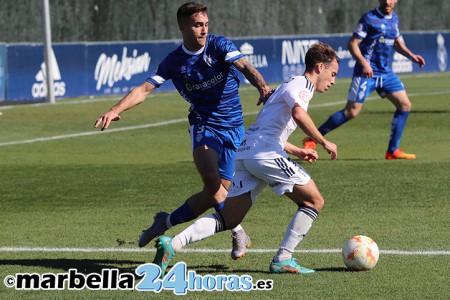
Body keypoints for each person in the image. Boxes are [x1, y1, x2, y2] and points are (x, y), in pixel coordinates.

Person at [94, 2, 272, 259]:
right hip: (203, 125)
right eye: (198, 25)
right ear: (183, 27)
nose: (203, 30)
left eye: (206, 24)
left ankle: (164, 222)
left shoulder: (219, 45)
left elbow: (245, 66)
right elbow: (144, 89)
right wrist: (116, 108)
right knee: (212, 182)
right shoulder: (175, 62)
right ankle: (238, 231)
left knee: (213, 194)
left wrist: (263, 87)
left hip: (234, 129)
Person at [152, 42, 340, 277]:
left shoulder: (289, 84)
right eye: (332, 74)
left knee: (229, 218)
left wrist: (297, 151)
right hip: (264, 153)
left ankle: (174, 244)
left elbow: (270, 129)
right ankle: (283, 258)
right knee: (314, 201)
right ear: (319, 66)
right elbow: (298, 114)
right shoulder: (303, 84)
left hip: (248, 152)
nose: (332, 80)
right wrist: (323, 141)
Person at [303, 0, 425, 160]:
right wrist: (365, 64)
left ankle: (392, 151)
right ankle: (312, 139)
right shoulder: (369, 18)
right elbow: (353, 43)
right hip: (366, 73)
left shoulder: (394, 19)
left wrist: (412, 56)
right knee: (351, 112)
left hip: (385, 73)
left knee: (405, 105)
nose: (387, 2)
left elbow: (397, 42)